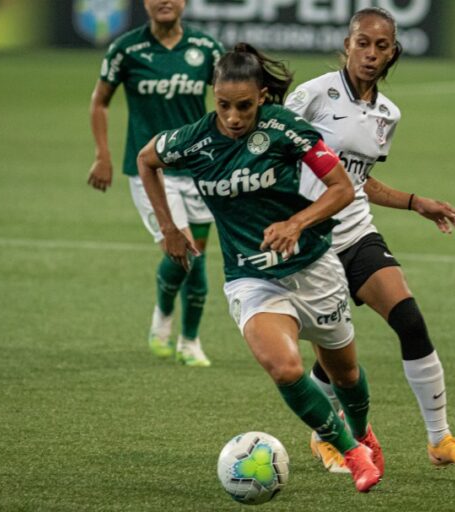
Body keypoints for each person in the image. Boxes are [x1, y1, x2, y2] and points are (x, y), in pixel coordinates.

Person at [137, 43, 383, 493]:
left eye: (244, 106)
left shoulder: (285, 128)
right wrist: (169, 228)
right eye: (224, 106)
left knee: (345, 373)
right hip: (251, 277)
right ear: (213, 97)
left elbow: (341, 188)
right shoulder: (193, 139)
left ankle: (364, 432)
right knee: (285, 368)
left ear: (263, 97)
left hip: (313, 266)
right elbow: (146, 159)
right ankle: (350, 450)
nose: (233, 117)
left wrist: (296, 222)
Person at [285, 7, 455, 473]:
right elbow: (272, 152)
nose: (371, 53)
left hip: (357, 232)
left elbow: (357, 181)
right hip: (312, 244)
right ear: (347, 44)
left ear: (393, 51)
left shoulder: (388, 113)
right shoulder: (312, 96)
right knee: (334, 358)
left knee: (411, 321)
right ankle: (325, 437)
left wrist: (416, 201)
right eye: (363, 42)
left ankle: (440, 439)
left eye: (381, 46)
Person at [87, 0, 223, 367]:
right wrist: (103, 155)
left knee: (196, 254)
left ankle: (186, 339)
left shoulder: (206, 48)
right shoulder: (126, 49)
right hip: (151, 170)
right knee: (183, 252)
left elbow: (229, 99)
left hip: (198, 167)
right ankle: (170, 326)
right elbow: (100, 101)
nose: (165, 1)